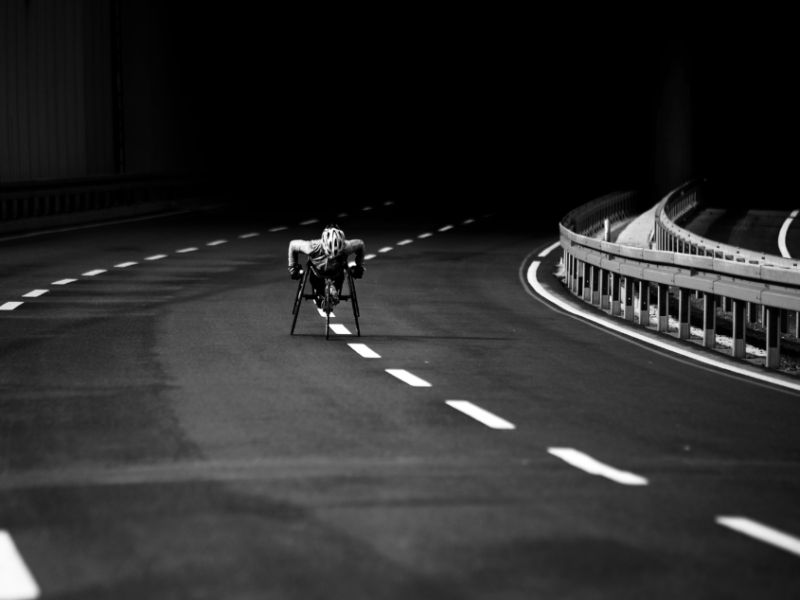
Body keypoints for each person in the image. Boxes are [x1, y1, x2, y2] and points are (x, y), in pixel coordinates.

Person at [287, 224, 365, 309]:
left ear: (342, 245)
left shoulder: (347, 247)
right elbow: (293, 245)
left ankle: (332, 291)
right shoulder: (312, 247)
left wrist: (359, 267)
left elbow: (361, 244)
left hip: (337, 273)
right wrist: (293, 268)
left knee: (340, 275)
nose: (331, 257)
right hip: (317, 273)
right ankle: (323, 294)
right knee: (316, 280)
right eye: (329, 253)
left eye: (336, 254)